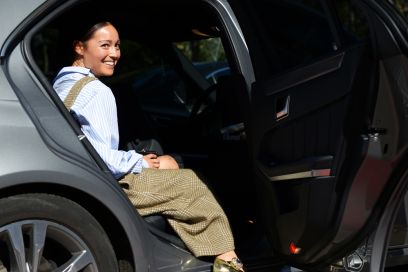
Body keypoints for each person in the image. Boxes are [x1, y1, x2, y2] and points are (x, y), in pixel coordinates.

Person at [53, 21, 244, 272]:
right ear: (80, 47)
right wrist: (139, 161)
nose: (114, 54)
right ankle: (229, 263)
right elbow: (103, 159)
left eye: (117, 46)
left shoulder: (60, 83)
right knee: (187, 182)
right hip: (104, 183)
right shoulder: (96, 92)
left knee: (168, 163)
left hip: (77, 175)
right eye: (105, 45)